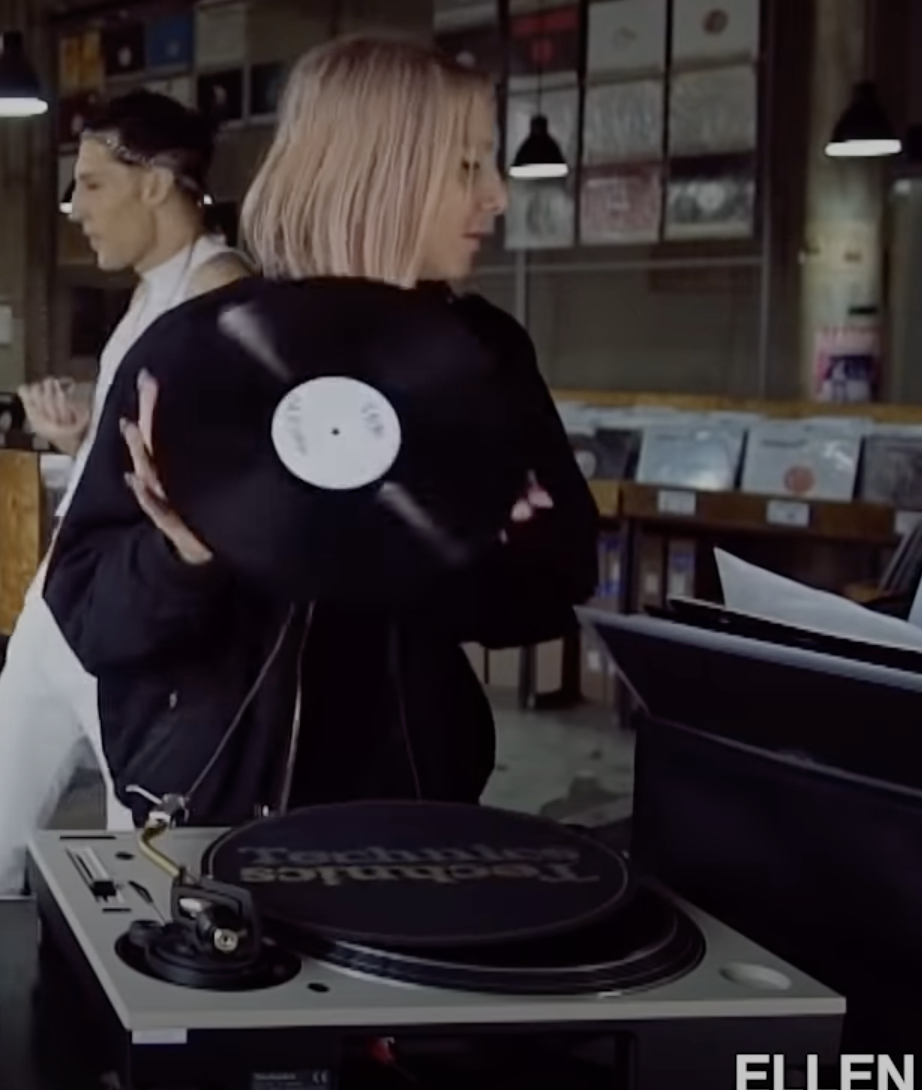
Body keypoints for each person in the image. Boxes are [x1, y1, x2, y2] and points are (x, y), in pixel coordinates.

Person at [44, 36, 599, 828]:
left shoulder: (488, 358)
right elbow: (89, 616)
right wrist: (183, 557)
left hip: (414, 809)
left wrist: (481, 539)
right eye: (468, 165)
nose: (498, 196)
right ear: (377, 173)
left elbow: (556, 590)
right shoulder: (195, 353)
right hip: (211, 811)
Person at [0, 90, 250, 892]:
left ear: (157, 182)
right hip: (66, 593)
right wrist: (83, 444)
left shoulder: (219, 299)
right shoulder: (147, 291)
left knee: (142, 854)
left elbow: (210, 493)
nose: (76, 207)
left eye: (93, 184)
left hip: (133, 612)